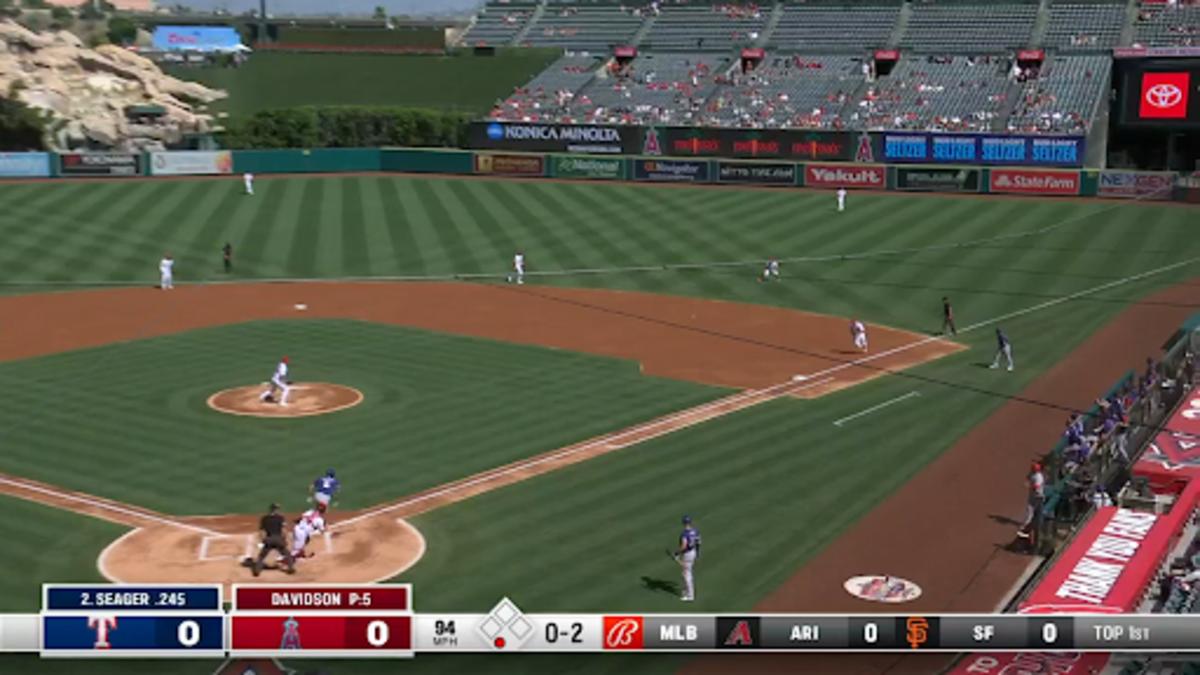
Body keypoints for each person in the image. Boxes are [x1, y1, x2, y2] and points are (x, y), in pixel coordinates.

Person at [251, 503, 294, 576]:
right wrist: (284, 540)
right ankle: (290, 568)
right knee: (287, 554)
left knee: (261, 556)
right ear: (276, 510)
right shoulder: (280, 518)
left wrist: (263, 540)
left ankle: (257, 571)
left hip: (269, 539)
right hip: (278, 539)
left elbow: (261, 531)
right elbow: (284, 530)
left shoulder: (264, 518)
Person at [674, 515, 701, 601]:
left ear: (683, 523)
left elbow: (684, 546)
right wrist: (697, 553)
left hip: (687, 554)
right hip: (693, 552)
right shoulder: (696, 531)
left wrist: (677, 553)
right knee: (685, 572)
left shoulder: (684, 534)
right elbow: (698, 542)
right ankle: (686, 591)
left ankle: (690, 595)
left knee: (687, 574)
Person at [1018, 461, 1045, 539]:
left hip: (1038, 497)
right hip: (1032, 496)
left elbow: (1036, 486)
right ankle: (1026, 526)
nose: (1032, 469)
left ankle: (1026, 528)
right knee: (1030, 512)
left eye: (1033, 468)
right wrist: (1027, 481)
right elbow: (1028, 477)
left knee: (1033, 513)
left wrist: (1029, 485)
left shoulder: (1038, 477)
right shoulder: (1032, 474)